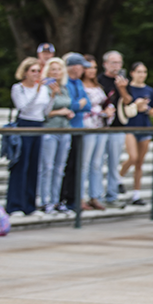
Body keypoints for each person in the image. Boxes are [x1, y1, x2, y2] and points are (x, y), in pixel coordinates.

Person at [5, 58, 51, 216]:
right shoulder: (18, 88)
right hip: (24, 124)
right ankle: (15, 205)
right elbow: (24, 107)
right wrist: (36, 91)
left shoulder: (43, 89)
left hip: (38, 125)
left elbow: (45, 111)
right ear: (25, 72)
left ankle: (30, 205)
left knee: (34, 166)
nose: (36, 74)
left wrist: (52, 96)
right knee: (21, 165)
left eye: (38, 71)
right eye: (33, 71)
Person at [117, 62, 153, 205]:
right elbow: (125, 104)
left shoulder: (149, 90)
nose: (142, 75)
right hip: (130, 126)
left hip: (145, 126)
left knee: (140, 162)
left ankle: (136, 194)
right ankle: (118, 178)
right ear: (132, 73)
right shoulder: (127, 88)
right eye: (139, 72)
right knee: (133, 157)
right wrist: (136, 105)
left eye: (144, 72)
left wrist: (146, 108)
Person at [57, 53, 92, 213]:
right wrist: (78, 105)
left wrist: (77, 105)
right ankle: (61, 198)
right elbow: (68, 104)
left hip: (79, 127)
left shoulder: (78, 82)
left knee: (75, 165)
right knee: (65, 165)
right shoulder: (65, 82)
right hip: (67, 128)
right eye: (82, 67)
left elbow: (88, 105)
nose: (84, 70)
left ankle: (72, 199)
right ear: (74, 67)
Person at [38, 68, 75, 213]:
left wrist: (69, 113)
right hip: (50, 131)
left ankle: (56, 201)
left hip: (64, 130)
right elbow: (43, 112)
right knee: (47, 167)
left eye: (59, 69)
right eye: (53, 69)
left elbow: (69, 105)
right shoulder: (44, 88)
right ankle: (44, 201)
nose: (56, 72)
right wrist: (60, 111)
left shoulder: (64, 89)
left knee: (60, 168)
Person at [97, 50, 129, 206]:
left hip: (117, 126)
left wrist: (122, 88)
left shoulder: (123, 81)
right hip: (100, 126)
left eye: (119, 63)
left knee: (114, 163)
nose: (116, 66)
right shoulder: (98, 80)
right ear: (105, 64)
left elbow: (128, 101)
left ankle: (112, 195)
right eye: (113, 62)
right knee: (97, 163)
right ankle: (96, 196)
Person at [80, 61, 111, 211]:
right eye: (88, 67)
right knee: (84, 163)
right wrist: (100, 112)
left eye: (94, 67)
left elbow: (105, 102)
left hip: (101, 126)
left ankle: (95, 196)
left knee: (97, 163)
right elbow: (84, 107)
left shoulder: (98, 86)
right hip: (88, 125)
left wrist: (109, 110)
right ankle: (80, 197)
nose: (91, 70)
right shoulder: (80, 86)